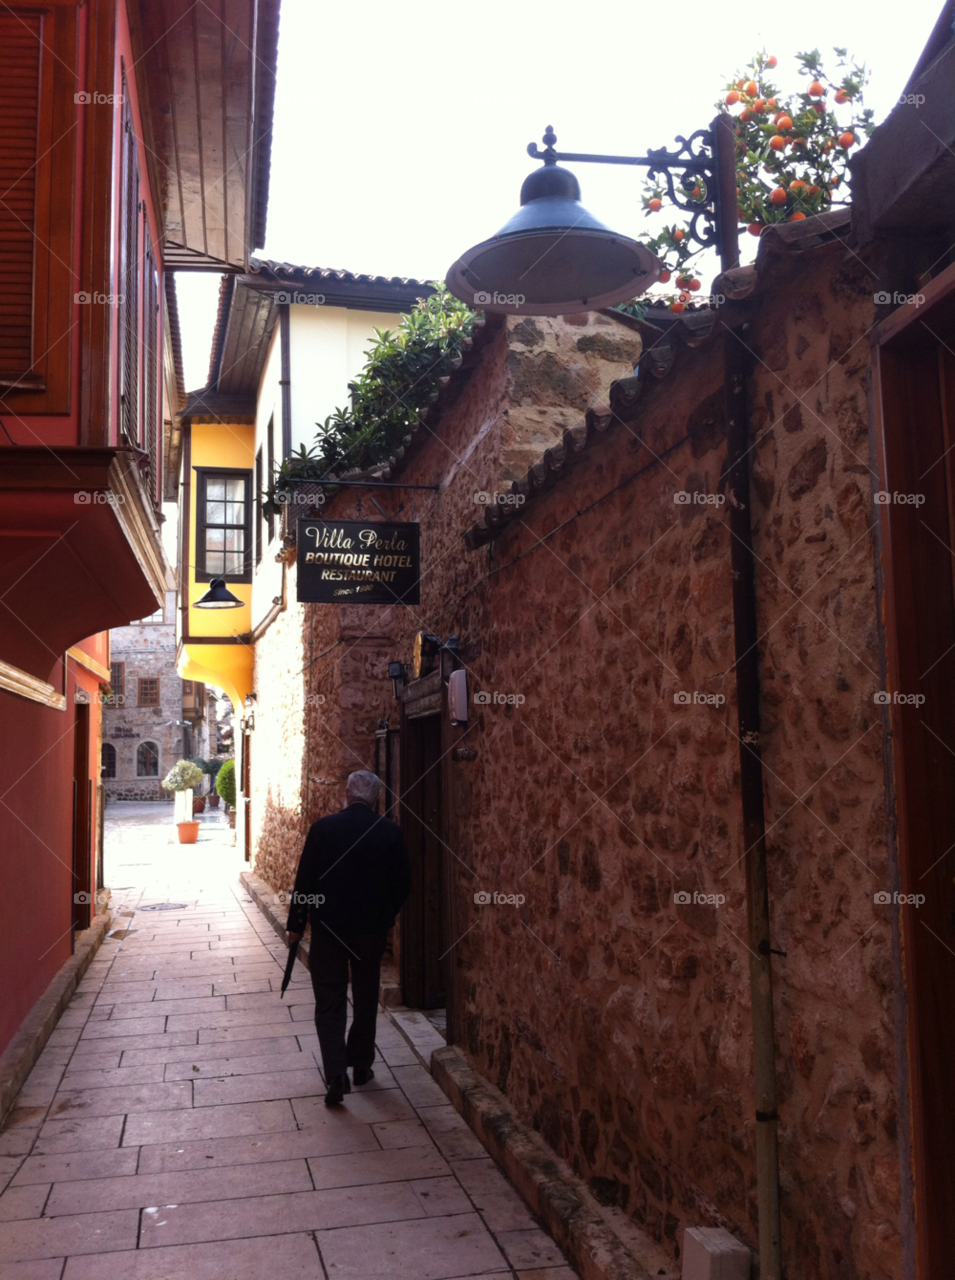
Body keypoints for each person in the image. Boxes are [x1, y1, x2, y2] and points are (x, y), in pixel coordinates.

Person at [286, 770, 411, 1106]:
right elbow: (402, 884)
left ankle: (336, 1072)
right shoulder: (390, 832)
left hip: (329, 930)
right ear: (375, 799)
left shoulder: (323, 829)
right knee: (367, 996)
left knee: (330, 1000)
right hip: (370, 931)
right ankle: (361, 1066)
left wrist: (297, 923)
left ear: (346, 794)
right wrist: (387, 914)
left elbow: (305, 882)